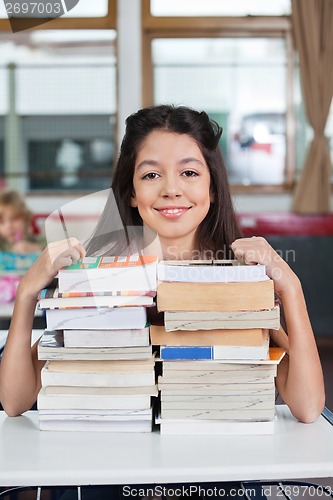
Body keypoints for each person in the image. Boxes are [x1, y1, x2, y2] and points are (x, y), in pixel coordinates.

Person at [0, 105, 325, 499]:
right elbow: (16, 402)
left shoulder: (238, 278)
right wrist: (27, 295)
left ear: (212, 188)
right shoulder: (99, 277)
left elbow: (308, 407)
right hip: (112, 475)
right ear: (132, 194)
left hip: (215, 476)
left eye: (189, 172)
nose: (172, 188)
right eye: (151, 174)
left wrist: (292, 289)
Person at [0, 190, 43, 254]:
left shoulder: (37, 241)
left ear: (25, 219)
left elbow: (55, 250)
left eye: (14, 219)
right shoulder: (2, 244)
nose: (9, 226)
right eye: (2, 222)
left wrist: (36, 248)